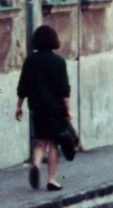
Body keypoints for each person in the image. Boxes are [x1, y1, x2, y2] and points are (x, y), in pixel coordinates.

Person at [15, 24, 71, 191]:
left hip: (37, 108)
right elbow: (64, 90)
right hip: (55, 109)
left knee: (40, 142)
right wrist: (68, 111)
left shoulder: (30, 61)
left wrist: (19, 106)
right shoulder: (59, 62)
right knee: (53, 144)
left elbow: (23, 86)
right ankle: (51, 180)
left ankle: (36, 164)